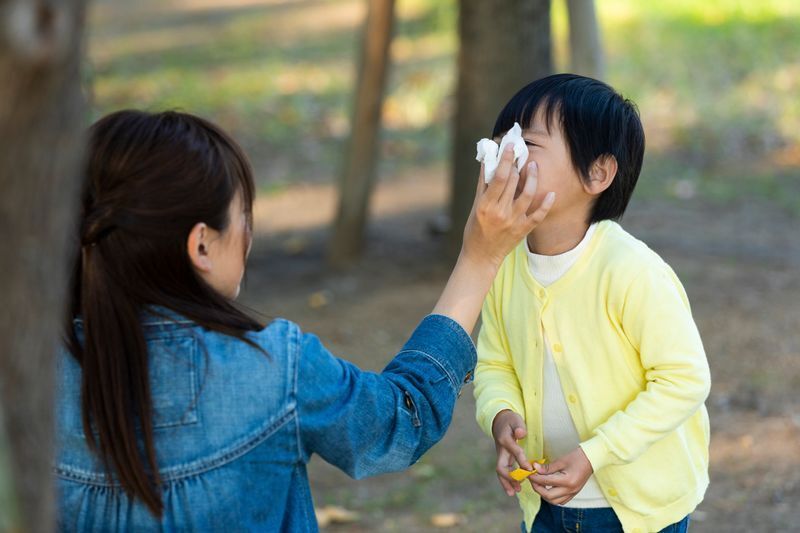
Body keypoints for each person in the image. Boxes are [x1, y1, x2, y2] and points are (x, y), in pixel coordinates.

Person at [54, 109, 554, 531]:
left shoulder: (29, 379)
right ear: (202, 244)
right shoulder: (271, 370)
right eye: (243, 214)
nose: (248, 233)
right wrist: (480, 259)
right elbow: (400, 420)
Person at [473, 74, 711, 533]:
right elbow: (494, 361)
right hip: (544, 503)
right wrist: (501, 415)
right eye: (503, 141)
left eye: (528, 145)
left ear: (597, 174)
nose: (506, 155)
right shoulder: (503, 267)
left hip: (639, 510)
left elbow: (684, 379)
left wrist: (594, 453)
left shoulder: (631, 271)